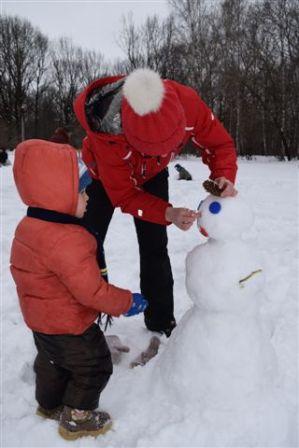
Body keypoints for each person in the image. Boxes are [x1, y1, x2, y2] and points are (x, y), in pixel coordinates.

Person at [73, 68, 238, 338]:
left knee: (155, 246)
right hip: (102, 176)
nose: (166, 153)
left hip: (151, 173)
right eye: (155, 148)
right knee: (85, 245)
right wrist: (166, 211)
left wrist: (224, 176)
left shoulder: (188, 103)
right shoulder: (107, 135)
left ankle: (160, 320)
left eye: (169, 147)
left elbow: (220, 145)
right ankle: (83, 323)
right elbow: (125, 196)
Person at [10, 138, 148, 440]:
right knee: (94, 366)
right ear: (57, 196)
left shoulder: (28, 227)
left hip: (40, 321)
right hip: (70, 324)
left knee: (51, 361)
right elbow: (92, 292)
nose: (88, 198)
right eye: (82, 192)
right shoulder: (67, 240)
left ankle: (48, 405)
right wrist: (126, 302)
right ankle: (77, 416)